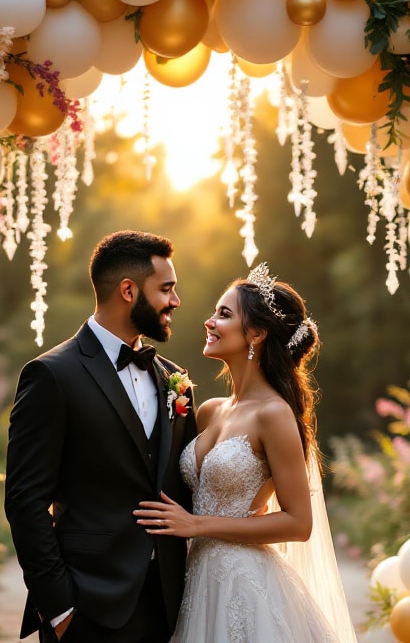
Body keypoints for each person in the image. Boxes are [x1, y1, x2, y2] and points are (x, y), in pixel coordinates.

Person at [134, 262, 355, 643]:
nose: (209, 321)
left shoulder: (274, 415)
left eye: (223, 314)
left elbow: (298, 524)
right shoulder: (208, 411)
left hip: (246, 585)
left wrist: (197, 525)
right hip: (197, 580)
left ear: (256, 333)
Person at [5, 230, 198, 643]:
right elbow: (25, 501)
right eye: (166, 289)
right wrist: (59, 607)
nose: (176, 301)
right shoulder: (52, 375)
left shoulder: (173, 378)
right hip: (88, 606)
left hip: (170, 605)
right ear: (128, 290)